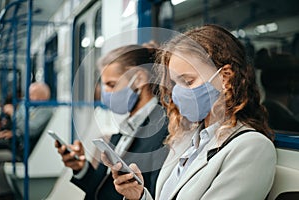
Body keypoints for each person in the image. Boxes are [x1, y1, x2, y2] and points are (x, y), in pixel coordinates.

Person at [107, 25, 277, 200]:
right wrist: (139, 196)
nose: (177, 93)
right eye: (174, 84)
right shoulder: (185, 139)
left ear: (225, 77)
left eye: (187, 82)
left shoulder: (252, 147)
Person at [55, 45, 169, 200]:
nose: (106, 93)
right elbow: (104, 190)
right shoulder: (127, 128)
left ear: (140, 79)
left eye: (112, 84)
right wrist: (80, 168)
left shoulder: (163, 132)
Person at [0, 82, 53, 160]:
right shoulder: (33, 108)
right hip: (19, 145)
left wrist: (14, 114)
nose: (27, 97)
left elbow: (29, 130)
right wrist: (12, 133)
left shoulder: (45, 111)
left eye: (31, 94)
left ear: (41, 97)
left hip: (24, 151)